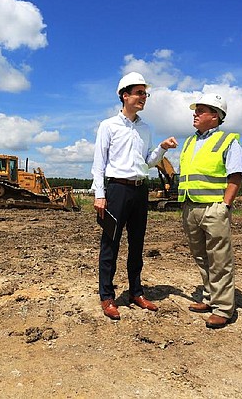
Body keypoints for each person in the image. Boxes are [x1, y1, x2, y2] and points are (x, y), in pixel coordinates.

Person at [91, 72, 178, 320]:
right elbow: (99, 163)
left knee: (137, 245)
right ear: (124, 95)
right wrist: (100, 194)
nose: (143, 98)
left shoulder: (145, 128)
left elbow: (148, 162)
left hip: (140, 190)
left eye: (145, 93)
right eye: (139, 93)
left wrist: (161, 148)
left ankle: (135, 292)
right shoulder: (108, 126)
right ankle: (107, 296)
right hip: (116, 190)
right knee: (110, 244)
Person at [177, 93, 242, 329]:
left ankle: (223, 308)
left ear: (215, 116)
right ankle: (209, 298)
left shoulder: (228, 141)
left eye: (201, 110)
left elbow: (235, 175)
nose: (195, 114)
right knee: (201, 256)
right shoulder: (189, 142)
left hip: (213, 208)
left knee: (219, 259)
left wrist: (225, 205)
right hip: (190, 207)